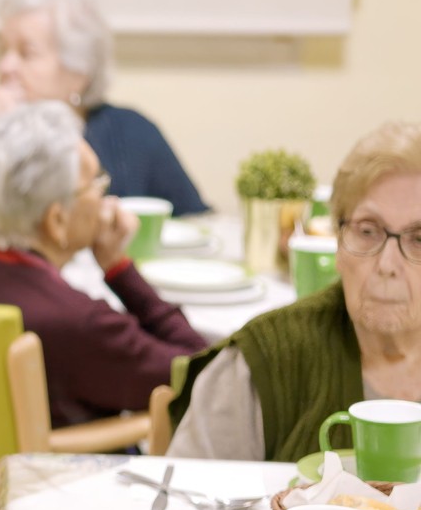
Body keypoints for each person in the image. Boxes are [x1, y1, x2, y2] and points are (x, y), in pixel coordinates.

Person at [0, 101, 207, 429]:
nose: (105, 196)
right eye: (95, 183)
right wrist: (119, 268)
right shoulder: (77, 322)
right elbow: (200, 372)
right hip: (56, 476)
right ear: (57, 220)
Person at [169, 122, 421, 461]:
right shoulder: (264, 360)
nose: (387, 264)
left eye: (418, 239)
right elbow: (187, 499)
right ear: (337, 244)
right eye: (367, 231)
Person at [0, 0, 206, 248]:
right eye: (3, 50)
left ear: (78, 71)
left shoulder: (133, 132)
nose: (5, 66)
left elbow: (197, 221)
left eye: (26, 53)